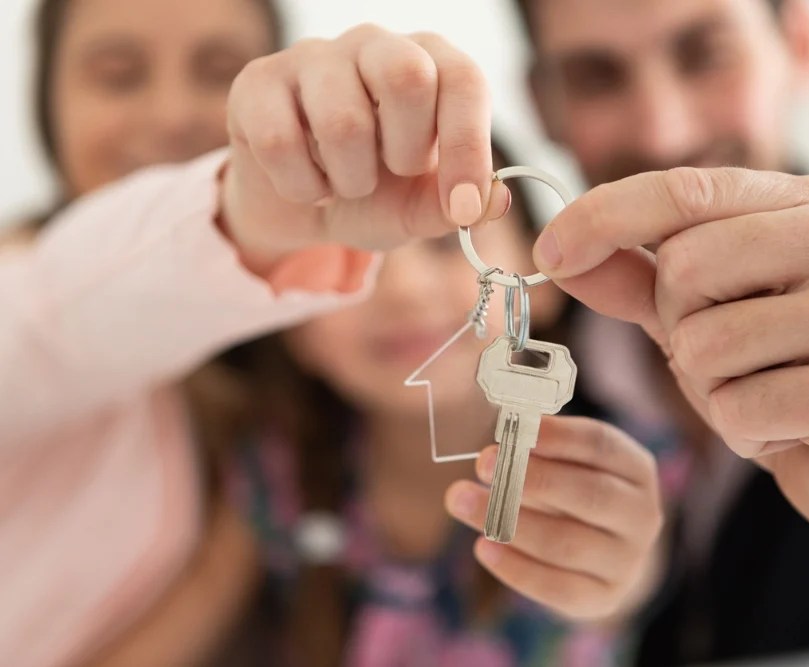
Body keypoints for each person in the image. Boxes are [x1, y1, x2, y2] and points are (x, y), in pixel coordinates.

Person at [1, 5, 662, 667]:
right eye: (118, 74)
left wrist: (620, 577)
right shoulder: (276, 469)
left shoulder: (624, 421)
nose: (402, 289)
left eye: (219, 72)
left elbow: (631, 573)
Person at [505, 0, 809, 663]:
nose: (663, 133)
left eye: (704, 54)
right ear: (544, 106)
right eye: (597, 76)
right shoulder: (523, 349)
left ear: (797, 44)